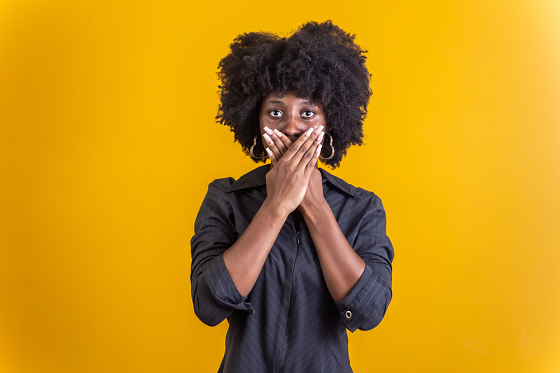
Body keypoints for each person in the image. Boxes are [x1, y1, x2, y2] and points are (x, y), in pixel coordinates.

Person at [190, 20, 394, 373]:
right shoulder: (225, 198)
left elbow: (370, 311)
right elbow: (208, 305)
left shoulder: (362, 208)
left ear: (330, 122)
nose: (291, 126)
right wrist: (275, 205)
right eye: (276, 112)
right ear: (257, 120)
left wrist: (314, 205)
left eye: (308, 112)